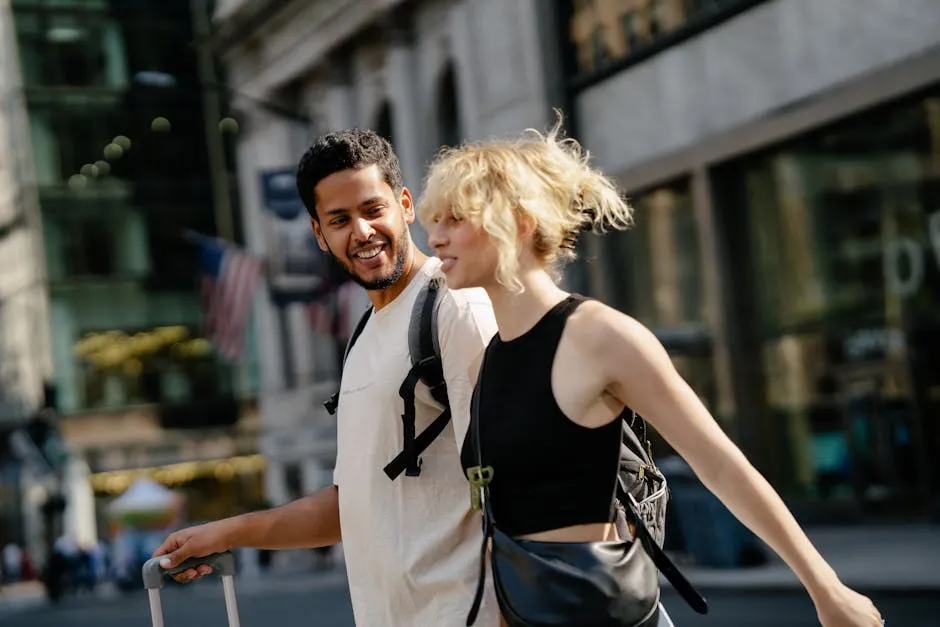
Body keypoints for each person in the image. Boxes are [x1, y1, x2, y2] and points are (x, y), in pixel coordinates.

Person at [417, 116, 886, 627]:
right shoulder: (491, 357)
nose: (435, 237)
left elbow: (721, 465)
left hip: (604, 613)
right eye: (433, 220)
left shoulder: (601, 336)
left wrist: (825, 587)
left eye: (455, 218)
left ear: (520, 223)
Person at [151, 129, 501, 626]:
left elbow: (512, 478)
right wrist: (228, 532)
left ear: (405, 205)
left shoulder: (455, 308)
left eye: (372, 209)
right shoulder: (362, 335)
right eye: (339, 220)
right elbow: (354, 506)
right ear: (319, 234)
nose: (361, 231)